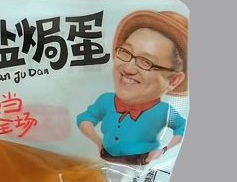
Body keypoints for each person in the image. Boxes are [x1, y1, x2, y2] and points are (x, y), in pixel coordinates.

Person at [76, 10, 188, 165]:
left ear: (173, 81)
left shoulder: (164, 111)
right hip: (104, 158)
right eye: (125, 52)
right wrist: (98, 142)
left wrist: (163, 150)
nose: (128, 69)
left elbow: (183, 128)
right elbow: (84, 118)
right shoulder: (106, 100)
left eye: (146, 62)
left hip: (140, 164)